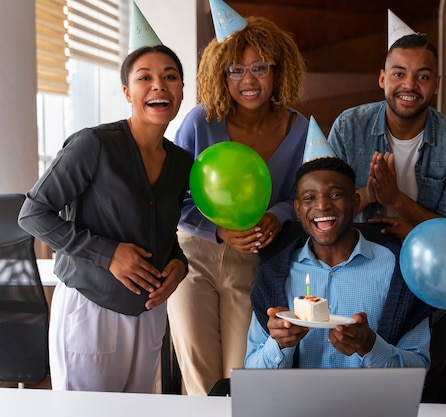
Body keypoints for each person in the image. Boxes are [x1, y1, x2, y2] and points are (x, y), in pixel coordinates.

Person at [18, 44, 192, 392]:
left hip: (147, 312)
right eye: (145, 78)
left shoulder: (181, 163)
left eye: (170, 77)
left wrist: (179, 264)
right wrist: (107, 253)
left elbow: (162, 231)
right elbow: (33, 213)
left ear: (182, 90)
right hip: (90, 307)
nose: (159, 85)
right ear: (128, 92)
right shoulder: (93, 145)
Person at [326, 12, 446, 402]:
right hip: (360, 268)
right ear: (382, 78)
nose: (410, 85)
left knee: (427, 385)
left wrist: (396, 201)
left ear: (436, 84)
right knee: (351, 378)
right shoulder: (349, 126)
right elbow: (327, 210)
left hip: (428, 278)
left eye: (423, 76)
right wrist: (370, 195)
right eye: (399, 74)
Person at [166, 0, 308, 395]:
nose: (249, 79)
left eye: (259, 67)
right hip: (193, 255)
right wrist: (219, 230)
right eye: (236, 69)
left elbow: (303, 194)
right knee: (198, 372)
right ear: (221, 74)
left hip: (255, 259)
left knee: (242, 372)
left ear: (278, 70)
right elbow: (172, 197)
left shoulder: (301, 129)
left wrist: (278, 214)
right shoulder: (199, 121)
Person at [245, 157, 434, 369]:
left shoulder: (399, 271)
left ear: (354, 203)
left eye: (335, 195)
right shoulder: (272, 277)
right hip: (299, 401)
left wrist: (370, 346)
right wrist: (278, 345)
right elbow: (252, 368)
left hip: (370, 401)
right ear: (298, 209)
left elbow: (420, 368)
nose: (322, 205)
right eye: (309, 198)